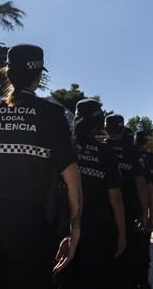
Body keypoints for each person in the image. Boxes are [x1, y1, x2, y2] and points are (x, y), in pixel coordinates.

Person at [0, 44, 82, 288]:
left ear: (7, 73)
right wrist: (74, 227)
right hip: (31, 224)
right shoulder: (51, 116)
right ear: (38, 78)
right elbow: (72, 179)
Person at [57, 98, 126, 289]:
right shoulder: (105, 152)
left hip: (62, 226)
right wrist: (122, 233)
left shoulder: (63, 146)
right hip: (96, 230)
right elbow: (115, 197)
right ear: (98, 122)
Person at [104, 114, 149, 289]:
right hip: (129, 212)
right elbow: (141, 185)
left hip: (103, 212)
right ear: (122, 130)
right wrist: (144, 214)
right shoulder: (133, 151)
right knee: (126, 259)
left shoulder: (101, 148)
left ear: (106, 128)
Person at [134, 130, 153, 289]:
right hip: (144, 208)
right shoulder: (152, 158)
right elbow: (152, 186)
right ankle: (143, 281)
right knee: (143, 251)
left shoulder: (130, 154)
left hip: (130, 209)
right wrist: (151, 213)